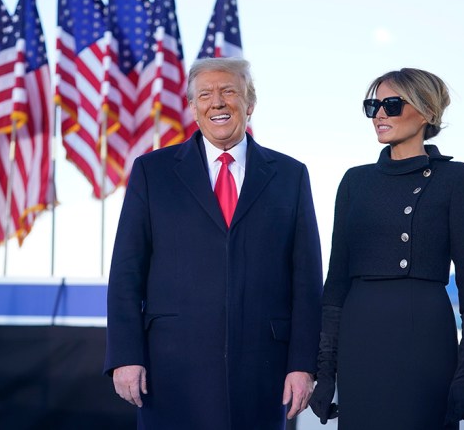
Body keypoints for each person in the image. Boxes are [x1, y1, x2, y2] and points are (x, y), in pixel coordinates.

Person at [104, 57, 323, 429]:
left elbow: (306, 280)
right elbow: (127, 271)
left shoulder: (290, 175)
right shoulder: (152, 172)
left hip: (262, 371)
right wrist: (125, 355)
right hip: (169, 370)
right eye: (205, 94)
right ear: (192, 108)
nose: (217, 102)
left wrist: (303, 364)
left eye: (228, 92)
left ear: (249, 104)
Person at [309, 68, 464, 429]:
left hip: (424, 338)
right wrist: (325, 371)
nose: (379, 113)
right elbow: (336, 284)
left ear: (426, 111)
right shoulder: (354, 181)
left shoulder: (458, 179)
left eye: (391, 104)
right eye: (372, 105)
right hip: (360, 338)